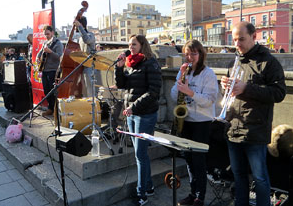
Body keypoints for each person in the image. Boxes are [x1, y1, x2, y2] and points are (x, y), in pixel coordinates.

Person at [220, 21, 286, 206]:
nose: (237, 44)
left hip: (255, 130)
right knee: (238, 176)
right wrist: (226, 87)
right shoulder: (235, 61)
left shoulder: (268, 62)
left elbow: (279, 93)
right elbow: (232, 93)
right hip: (233, 128)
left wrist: (246, 88)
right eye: (234, 40)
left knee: (260, 178)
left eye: (241, 39)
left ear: (254, 36)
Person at [114, 34, 162, 206]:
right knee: (140, 154)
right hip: (132, 114)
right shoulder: (132, 63)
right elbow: (122, 85)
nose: (130, 47)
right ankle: (148, 186)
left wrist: (134, 106)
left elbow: (154, 91)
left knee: (140, 154)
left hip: (145, 114)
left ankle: (141, 194)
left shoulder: (151, 63)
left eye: (134, 44)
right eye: (129, 44)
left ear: (142, 45)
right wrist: (119, 68)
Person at [171, 40, 219, 206]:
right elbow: (173, 96)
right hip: (187, 121)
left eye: (193, 53)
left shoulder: (208, 74)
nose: (190, 57)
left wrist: (190, 92)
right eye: (187, 53)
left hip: (202, 122)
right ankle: (193, 193)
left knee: (199, 161)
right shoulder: (185, 71)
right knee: (189, 160)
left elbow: (209, 100)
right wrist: (180, 78)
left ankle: (200, 197)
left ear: (201, 54)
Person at [36, 25, 63, 116]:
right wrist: (38, 58)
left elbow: (60, 57)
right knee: (46, 90)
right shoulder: (45, 43)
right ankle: (50, 108)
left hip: (53, 70)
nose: (46, 36)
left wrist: (50, 52)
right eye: (45, 34)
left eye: (48, 34)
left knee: (52, 90)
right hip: (44, 69)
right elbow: (39, 53)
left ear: (52, 32)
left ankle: (53, 108)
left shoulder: (58, 43)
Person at [73, 16, 96, 97]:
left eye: (76, 24)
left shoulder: (91, 35)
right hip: (82, 67)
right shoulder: (79, 39)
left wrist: (79, 27)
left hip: (89, 66)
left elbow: (87, 40)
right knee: (84, 91)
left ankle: (93, 108)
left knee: (90, 91)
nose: (74, 26)